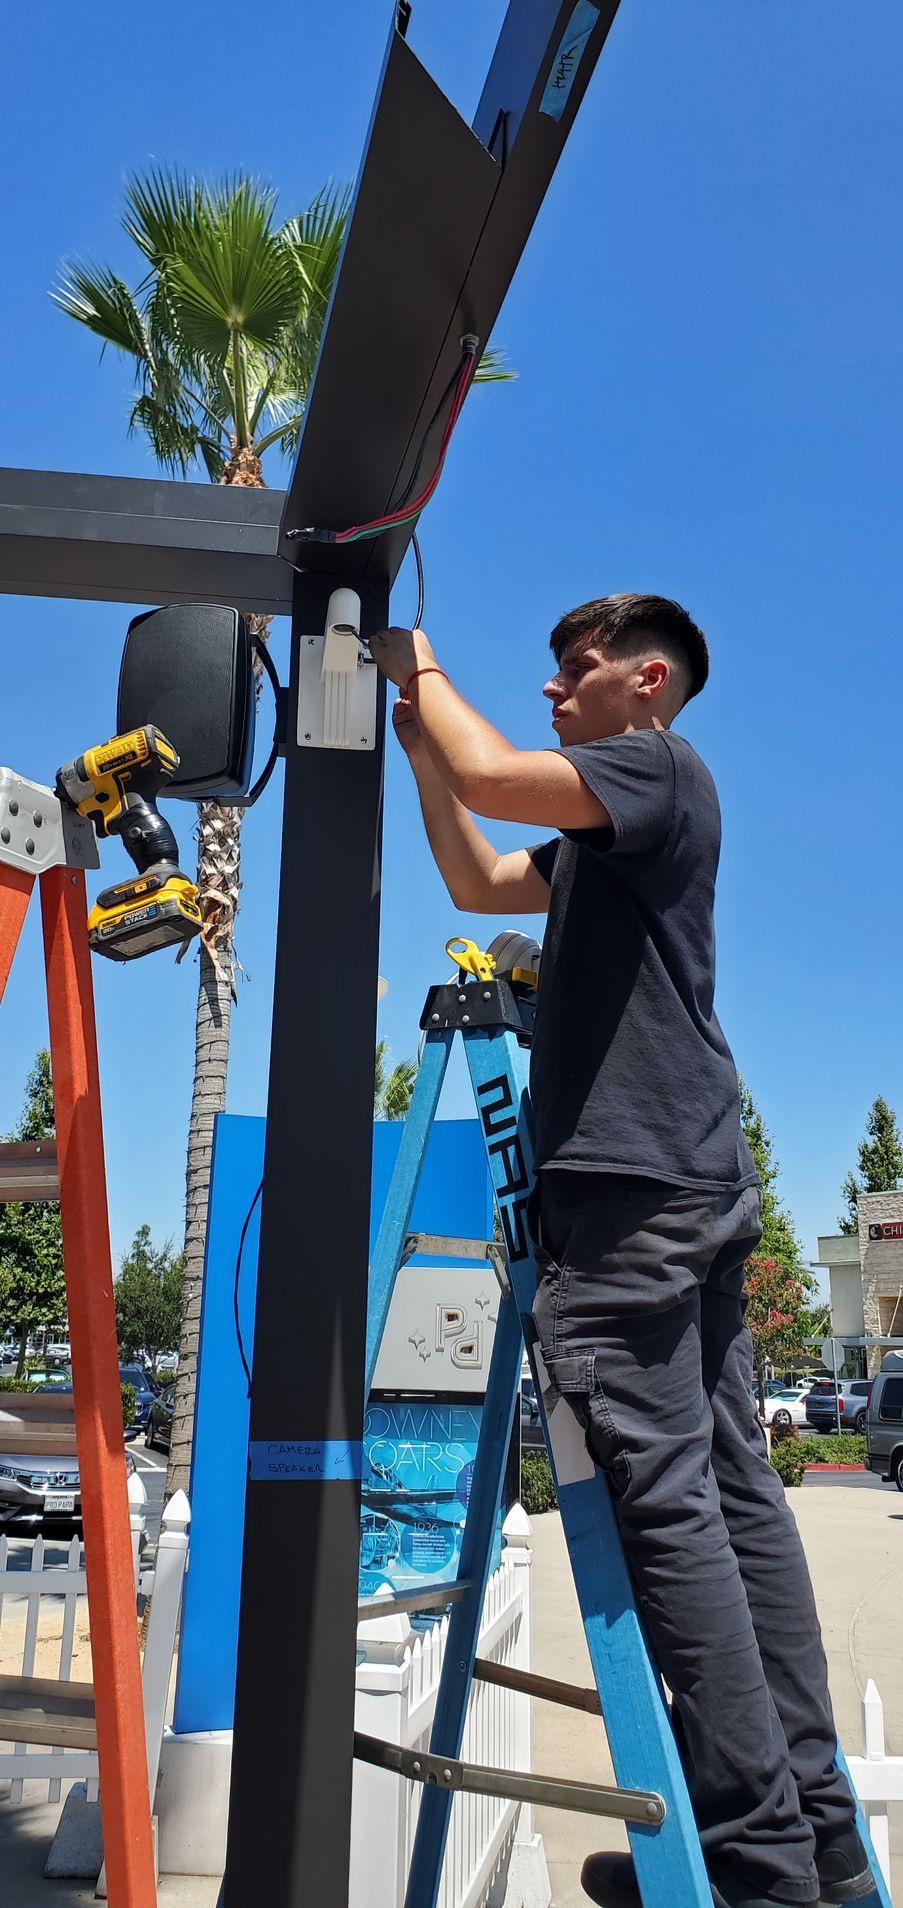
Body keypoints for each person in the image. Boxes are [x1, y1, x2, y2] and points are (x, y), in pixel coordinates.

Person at [369, 595, 870, 1908]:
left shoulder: (651, 768)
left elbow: (493, 771)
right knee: (737, 1504)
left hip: (632, 1196)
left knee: (672, 1517)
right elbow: (479, 874)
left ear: (646, 684)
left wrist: (414, 661)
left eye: (574, 674)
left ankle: (755, 1869)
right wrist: (414, 734)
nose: (552, 693)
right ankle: (810, 1840)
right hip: (687, 1179)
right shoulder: (607, 835)